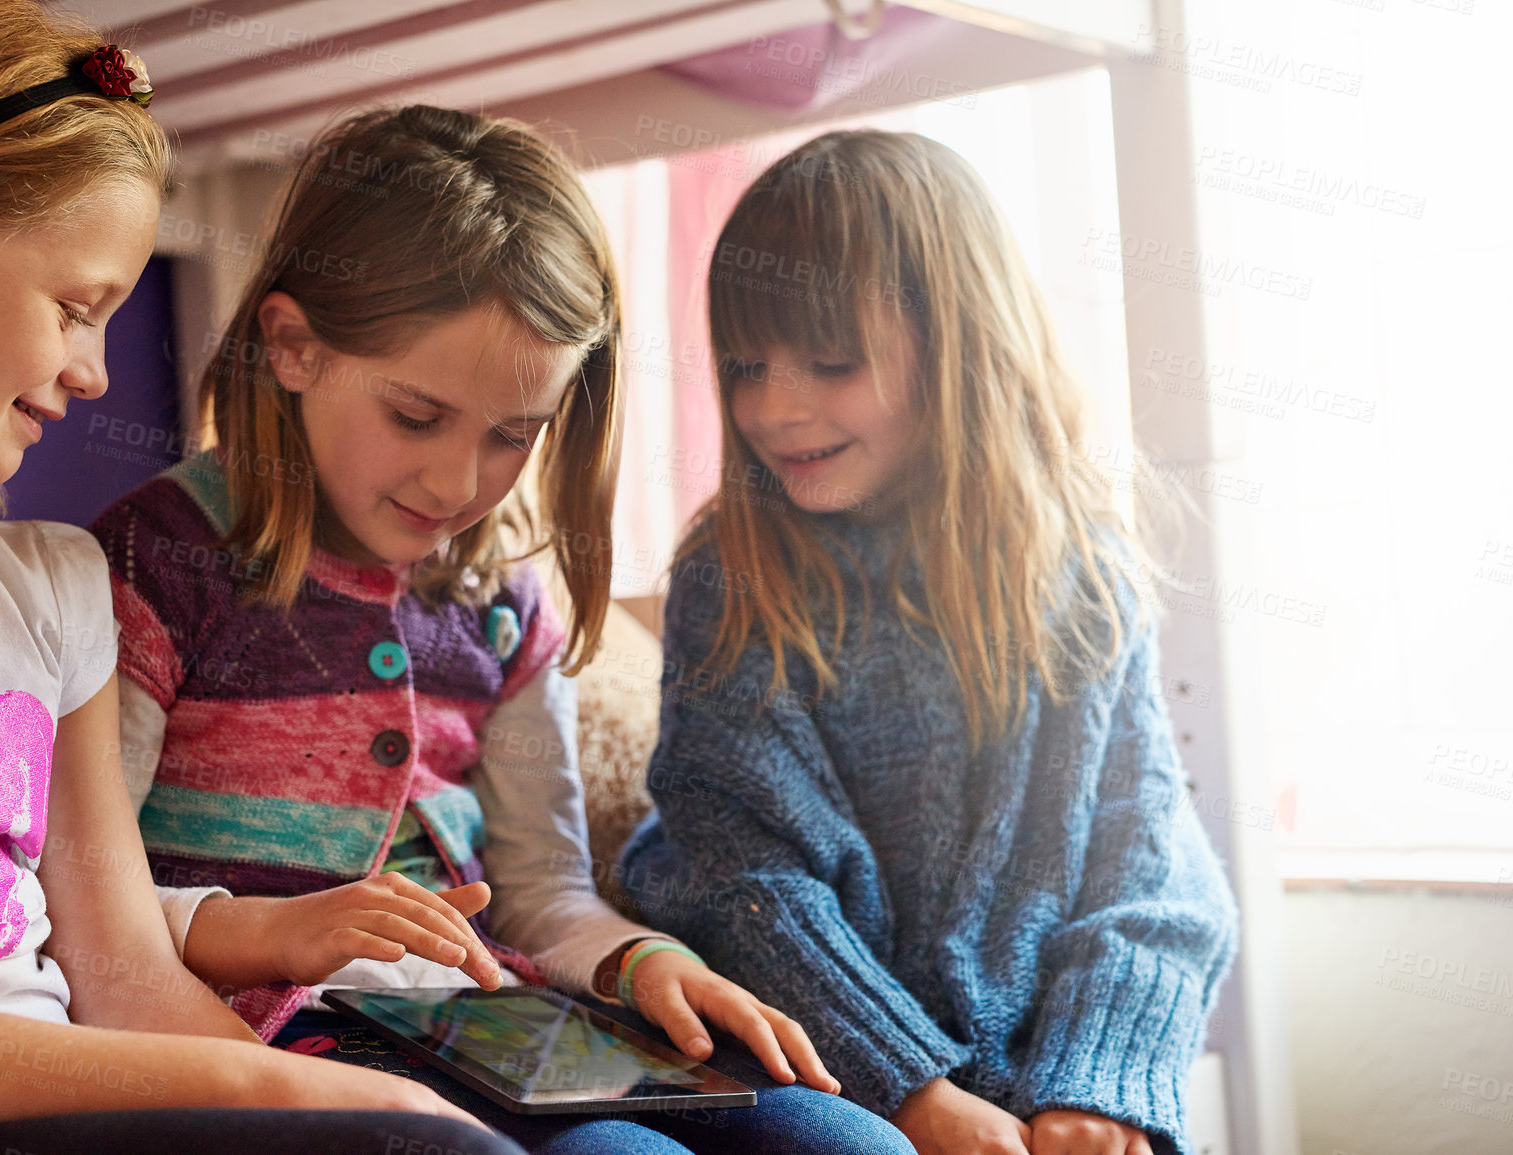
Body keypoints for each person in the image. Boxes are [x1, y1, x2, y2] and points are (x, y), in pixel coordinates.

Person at [91, 104, 913, 1155]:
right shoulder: (149, 563)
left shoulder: (500, 599)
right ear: (291, 347)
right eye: (416, 417)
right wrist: (258, 932)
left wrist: (644, 960)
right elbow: (80, 901)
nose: (457, 483)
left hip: (497, 1022)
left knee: (855, 1145)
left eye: (512, 437)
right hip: (287, 1037)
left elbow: (543, 896)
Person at [0, 3, 525, 1152]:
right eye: (76, 311)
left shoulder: (54, 586)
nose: (92, 373)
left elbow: (125, 974)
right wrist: (286, 1094)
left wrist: (366, 1118)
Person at [620, 129, 1240, 1155]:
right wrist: (912, 1087)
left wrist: (1097, 1082)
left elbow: (1148, 863)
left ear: (959, 347)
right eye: (746, 366)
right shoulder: (733, 577)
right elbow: (746, 878)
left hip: (1036, 1065)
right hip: (807, 1052)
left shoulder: (1079, 572)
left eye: (831, 361)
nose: (776, 407)